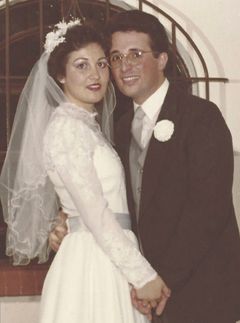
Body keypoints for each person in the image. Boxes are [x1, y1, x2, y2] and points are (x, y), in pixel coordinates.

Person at [50, 10, 240, 323]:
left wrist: (158, 280)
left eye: (135, 54)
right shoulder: (116, 129)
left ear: (161, 60)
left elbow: (208, 210)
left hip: (201, 292)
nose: (123, 66)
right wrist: (67, 218)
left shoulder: (201, 117)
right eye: (115, 57)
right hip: (143, 293)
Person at [0, 21, 169, 323]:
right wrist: (143, 275)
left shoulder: (87, 126)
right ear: (60, 76)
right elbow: (95, 214)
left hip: (110, 254)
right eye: (81, 66)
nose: (95, 75)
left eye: (102, 64)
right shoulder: (66, 129)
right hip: (94, 262)